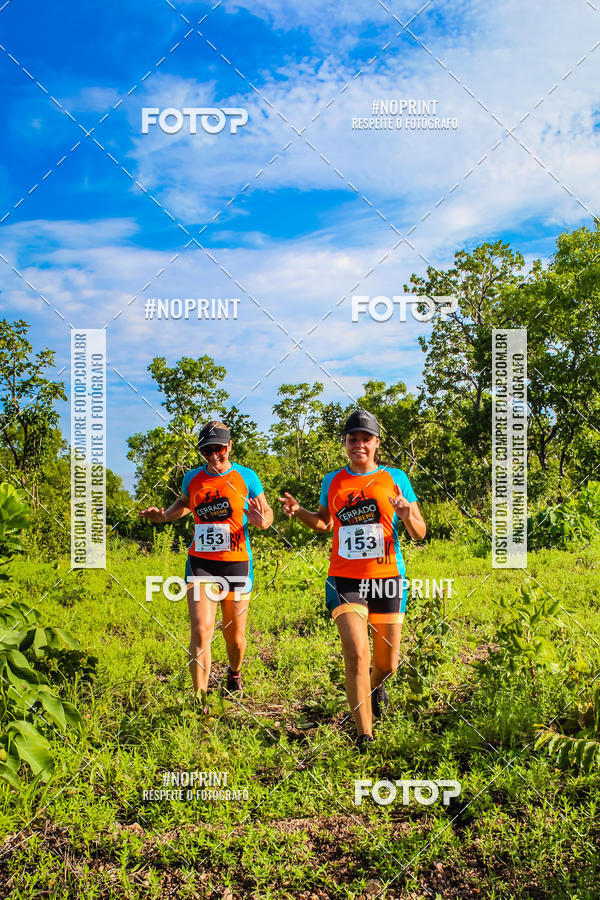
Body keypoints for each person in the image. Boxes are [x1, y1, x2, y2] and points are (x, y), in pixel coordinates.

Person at [278, 409, 426, 751]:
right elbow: (324, 523)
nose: (359, 444)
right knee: (358, 654)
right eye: (352, 439)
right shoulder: (333, 481)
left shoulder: (396, 478)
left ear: (376, 443)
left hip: (388, 578)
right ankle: (364, 735)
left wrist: (406, 515)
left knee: (387, 664)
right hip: (344, 579)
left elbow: (419, 533)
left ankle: (375, 688)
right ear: (345, 443)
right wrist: (299, 512)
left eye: (365, 439)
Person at [139, 420, 273, 709]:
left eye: (219, 449)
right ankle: (200, 701)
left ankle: (234, 673)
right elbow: (183, 505)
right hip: (200, 563)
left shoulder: (246, 477)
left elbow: (266, 514)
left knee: (234, 637)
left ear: (229, 446)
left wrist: (263, 520)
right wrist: (162, 516)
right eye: (207, 450)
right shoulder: (192, 478)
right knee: (201, 630)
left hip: (237, 564)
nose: (214, 456)